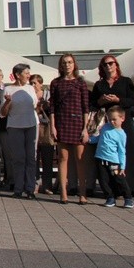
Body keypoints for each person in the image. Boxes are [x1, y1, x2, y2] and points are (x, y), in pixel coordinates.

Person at [90, 55, 134, 194]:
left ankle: (132, 186)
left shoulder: (125, 81)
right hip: (108, 123)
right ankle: (115, 188)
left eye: (110, 63)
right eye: (105, 65)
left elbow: (132, 101)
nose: (108, 66)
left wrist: (118, 99)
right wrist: (101, 101)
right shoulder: (99, 84)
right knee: (110, 154)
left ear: (116, 65)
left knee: (126, 150)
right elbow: (93, 103)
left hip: (124, 121)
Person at [48, 54, 89, 204]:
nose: (67, 65)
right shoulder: (56, 83)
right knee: (63, 158)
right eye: (64, 63)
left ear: (74, 64)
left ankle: (82, 193)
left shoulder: (80, 83)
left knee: (80, 159)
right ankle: (63, 193)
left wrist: (85, 128)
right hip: (61, 121)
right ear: (61, 65)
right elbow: (52, 107)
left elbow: (86, 107)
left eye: (70, 62)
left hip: (77, 122)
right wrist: (53, 126)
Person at [1, 63, 38, 199]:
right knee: (18, 158)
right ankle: (18, 188)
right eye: (26, 73)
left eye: (29, 73)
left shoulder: (30, 88)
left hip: (31, 125)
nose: (28, 75)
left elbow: (35, 106)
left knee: (31, 158)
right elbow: (3, 113)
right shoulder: (8, 89)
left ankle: (30, 189)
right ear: (17, 75)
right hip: (15, 126)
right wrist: (7, 102)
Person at [90, 106, 134, 209]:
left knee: (119, 179)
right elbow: (98, 138)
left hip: (114, 161)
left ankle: (128, 198)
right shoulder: (105, 127)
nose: (112, 122)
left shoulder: (121, 134)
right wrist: (90, 140)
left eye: (114, 119)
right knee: (103, 180)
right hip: (100, 158)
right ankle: (110, 197)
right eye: (110, 119)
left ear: (122, 118)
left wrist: (122, 166)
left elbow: (122, 151)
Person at [30, 74, 55, 197]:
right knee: (34, 158)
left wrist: (45, 106)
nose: (33, 85)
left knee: (47, 158)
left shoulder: (47, 94)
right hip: (33, 127)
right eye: (32, 83)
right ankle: (35, 183)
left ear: (41, 83)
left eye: (35, 83)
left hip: (46, 128)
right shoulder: (29, 95)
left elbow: (52, 111)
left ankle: (47, 185)